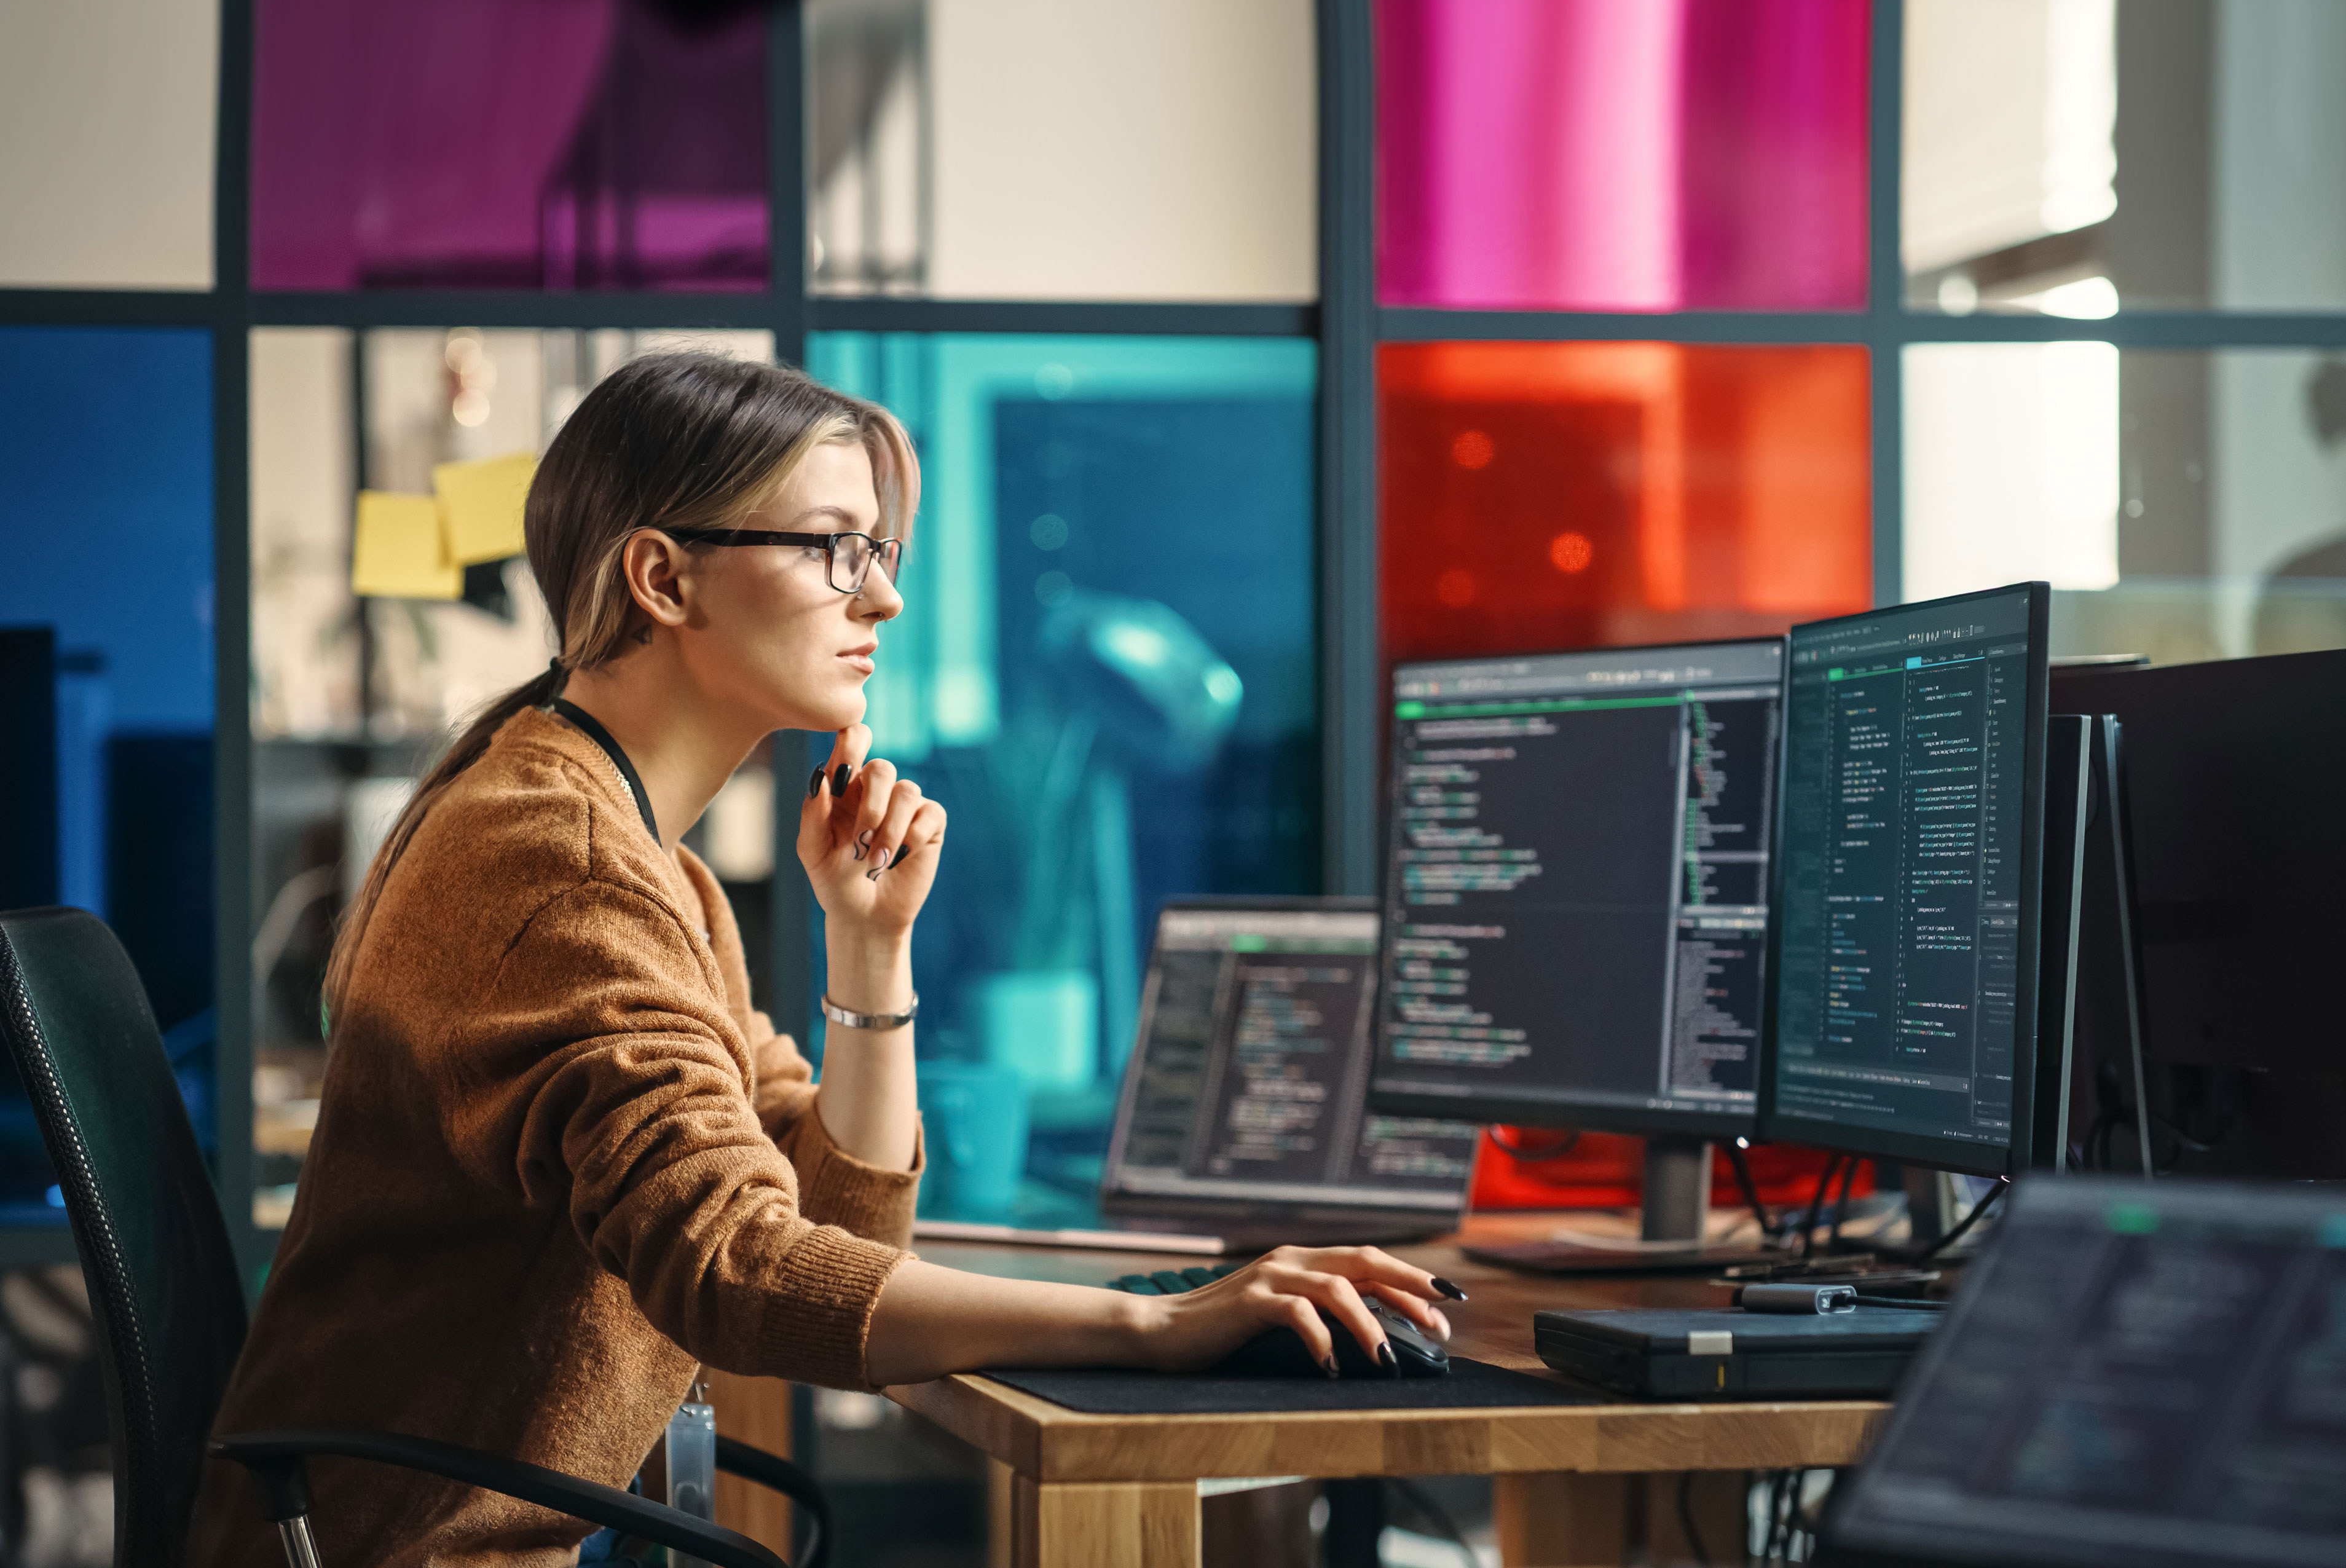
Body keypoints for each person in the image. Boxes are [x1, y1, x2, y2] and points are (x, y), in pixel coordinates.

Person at [187, 353, 1457, 1568]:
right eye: (835, 547)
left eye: (881, 551)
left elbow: (835, 1227)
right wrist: (1160, 1324)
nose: (884, 597)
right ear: (663, 579)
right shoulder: (558, 857)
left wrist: (870, 943)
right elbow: (740, 1269)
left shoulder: (635, 851)